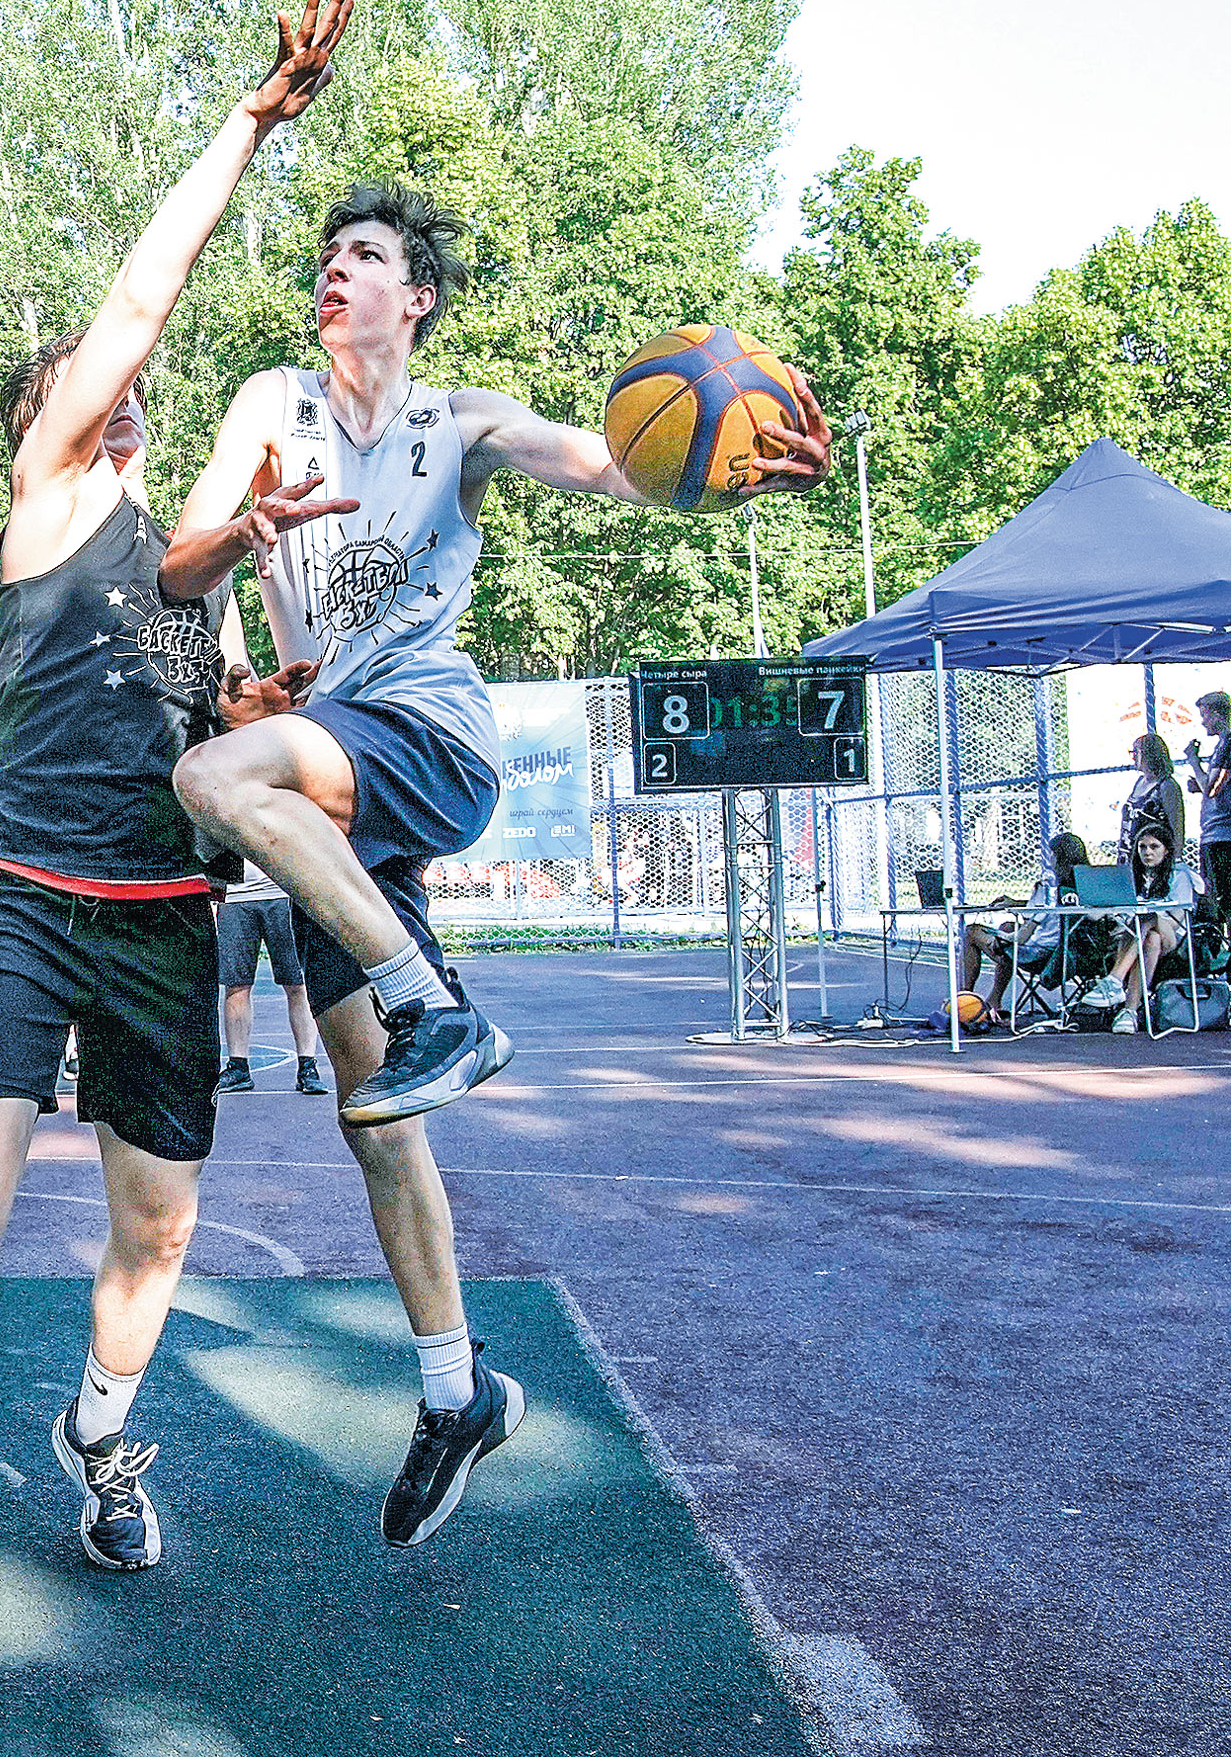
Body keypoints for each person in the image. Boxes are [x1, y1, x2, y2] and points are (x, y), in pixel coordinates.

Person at [162, 157, 836, 1553]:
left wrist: (724, 481)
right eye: (328, 254)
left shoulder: (458, 421)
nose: (335, 268)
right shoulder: (266, 405)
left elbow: (611, 463)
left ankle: (436, 1002)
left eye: (365, 255)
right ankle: (454, 1389)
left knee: (211, 779)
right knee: (375, 1112)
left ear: (414, 297)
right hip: (332, 785)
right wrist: (241, 550)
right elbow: (181, 567)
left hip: (422, 732)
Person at [0, 0, 348, 1660]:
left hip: (158, 913)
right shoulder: (51, 500)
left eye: (123, 389)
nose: (117, 391)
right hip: (15, 888)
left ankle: (94, 1431)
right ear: (47, 425)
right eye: (82, 383)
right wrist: (250, 123)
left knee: (157, 1224)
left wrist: (245, 707)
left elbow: (197, 730)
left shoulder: (188, 572)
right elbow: (142, 297)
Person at [216, 857, 326, 1095]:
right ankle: (238, 1067)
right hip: (235, 896)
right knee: (236, 986)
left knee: (297, 985)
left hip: (284, 893)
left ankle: (308, 1066)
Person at [959, 832, 1090, 1023]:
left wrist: (1001, 938)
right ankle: (994, 1001)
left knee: (972, 932)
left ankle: (963, 998)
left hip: (1040, 955)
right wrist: (1015, 903)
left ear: (1056, 856)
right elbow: (1046, 911)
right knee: (1007, 926)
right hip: (1070, 953)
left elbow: (1022, 936)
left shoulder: (1048, 887)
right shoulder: (1082, 886)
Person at [1079, 822, 1190, 1033]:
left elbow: (1176, 921)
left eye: (1154, 847)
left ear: (1166, 850)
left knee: (1147, 916)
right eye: (1142, 847)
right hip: (1134, 935)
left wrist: (1144, 921)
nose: (1147, 852)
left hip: (1170, 934)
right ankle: (1129, 1012)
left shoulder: (1179, 875)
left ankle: (1114, 980)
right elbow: (1096, 914)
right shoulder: (1129, 877)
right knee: (1150, 940)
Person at [1182, 694, 1231, 911]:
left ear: (1218, 715)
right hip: (1216, 833)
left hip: (1222, 835)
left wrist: (1193, 760)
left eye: (1205, 715)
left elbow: (1211, 788)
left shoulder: (1227, 745)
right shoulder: (1222, 745)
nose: (1203, 722)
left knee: (1221, 899)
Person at [1122, 735, 1185, 864]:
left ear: (1149, 754)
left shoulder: (1166, 785)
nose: (1133, 757)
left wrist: (1175, 859)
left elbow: (1177, 827)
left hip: (1153, 857)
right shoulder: (1139, 782)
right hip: (1131, 855)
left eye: (1136, 752)